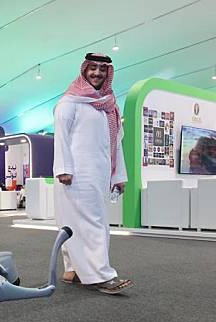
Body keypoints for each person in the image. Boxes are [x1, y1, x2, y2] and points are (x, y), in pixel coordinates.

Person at [53, 53, 133, 294]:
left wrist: (119, 176)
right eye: (93, 68)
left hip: (99, 174)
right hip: (76, 174)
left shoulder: (109, 106)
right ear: (84, 70)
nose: (97, 73)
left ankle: (73, 270)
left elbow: (115, 143)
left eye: (102, 69)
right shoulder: (70, 102)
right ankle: (101, 275)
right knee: (93, 224)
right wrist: (64, 168)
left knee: (79, 224)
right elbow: (61, 137)